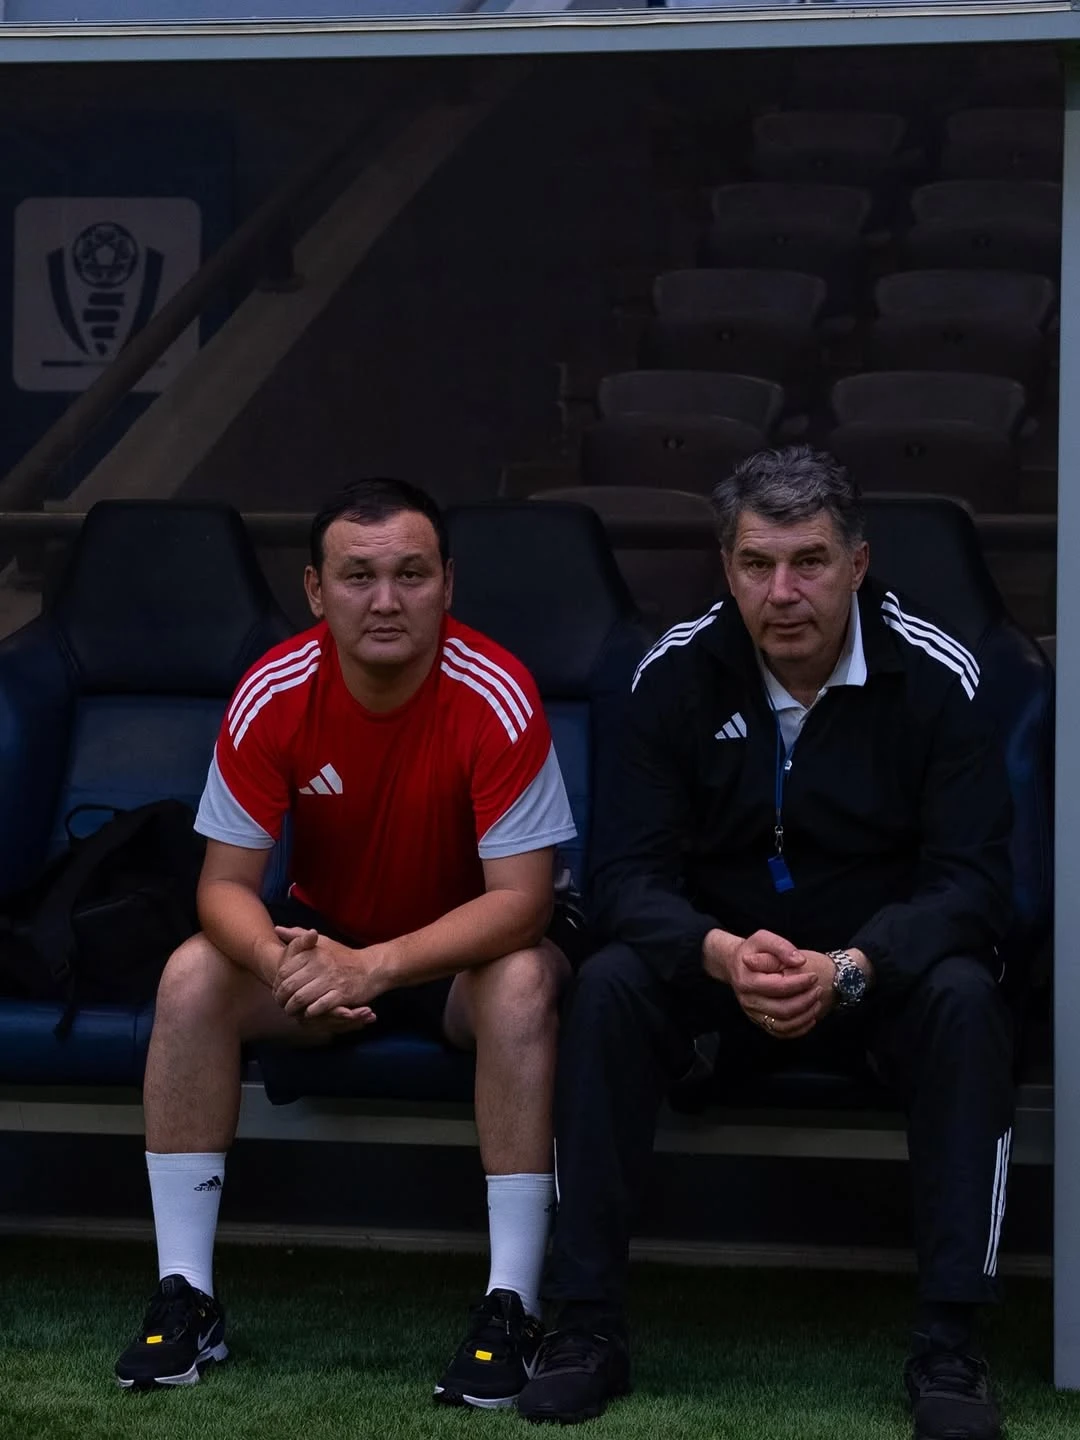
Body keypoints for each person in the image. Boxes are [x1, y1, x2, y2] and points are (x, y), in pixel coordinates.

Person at [517, 447, 1015, 1440]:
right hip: (720, 978)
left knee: (967, 997)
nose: (782, 593)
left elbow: (974, 886)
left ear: (858, 563)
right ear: (726, 566)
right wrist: (719, 953)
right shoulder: (673, 673)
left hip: (878, 980)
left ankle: (950, 1345)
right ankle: (586, 1326)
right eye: (756, 564)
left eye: (810, 562)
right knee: (607, 984)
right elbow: (624, 880)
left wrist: (855, 967)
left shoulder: (937, 673)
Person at [114, 478, 578, 1410]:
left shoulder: (496, 690)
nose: (386, 600)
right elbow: (221, 888)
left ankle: (513, 1304)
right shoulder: (275, 689)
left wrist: (374, 967)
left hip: (468, 953)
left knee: (526, 980)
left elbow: (522, 905)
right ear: (316, 590)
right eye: (358, 576)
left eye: (412, 574)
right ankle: (186, 1294)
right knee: (193, 974)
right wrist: (285, 966)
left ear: (448, 583)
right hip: (331, 947)